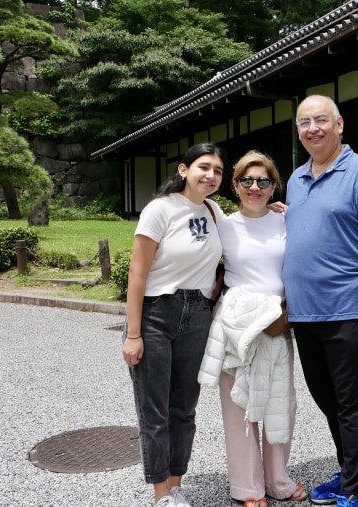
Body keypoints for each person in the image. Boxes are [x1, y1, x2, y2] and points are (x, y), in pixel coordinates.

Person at [282, 95, 358, 507]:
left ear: (340, 124)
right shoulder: (296, 180)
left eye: (320, 120)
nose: (312, 128)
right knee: (327, 400)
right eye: (304, 122)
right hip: (305, 313)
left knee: (353, 405)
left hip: (349, 311)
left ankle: (353, 492)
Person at [197, 150, 307, 507]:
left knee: (281, 404)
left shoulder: (288, 220)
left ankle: (277, 480)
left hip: (276, 323)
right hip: (236, 325)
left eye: (263, 181)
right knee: (239, 409)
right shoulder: (222, 223)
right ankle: (247, 488)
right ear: (235, 185)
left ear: (274, 186)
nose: (255, 187)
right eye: (247, 180)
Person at [122, 143, 226, 507]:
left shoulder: (214, 211)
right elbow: (137, 273)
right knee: (155, 410)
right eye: (203, 167)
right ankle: (161, 493)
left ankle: (176, 483)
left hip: (198, 314)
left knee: (184, 408)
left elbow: (245, 231)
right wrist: (133, 334)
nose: (210, 175)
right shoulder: (160, 210)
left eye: (217, 170)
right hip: (156, 314)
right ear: (183, 170)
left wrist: (278, 212)